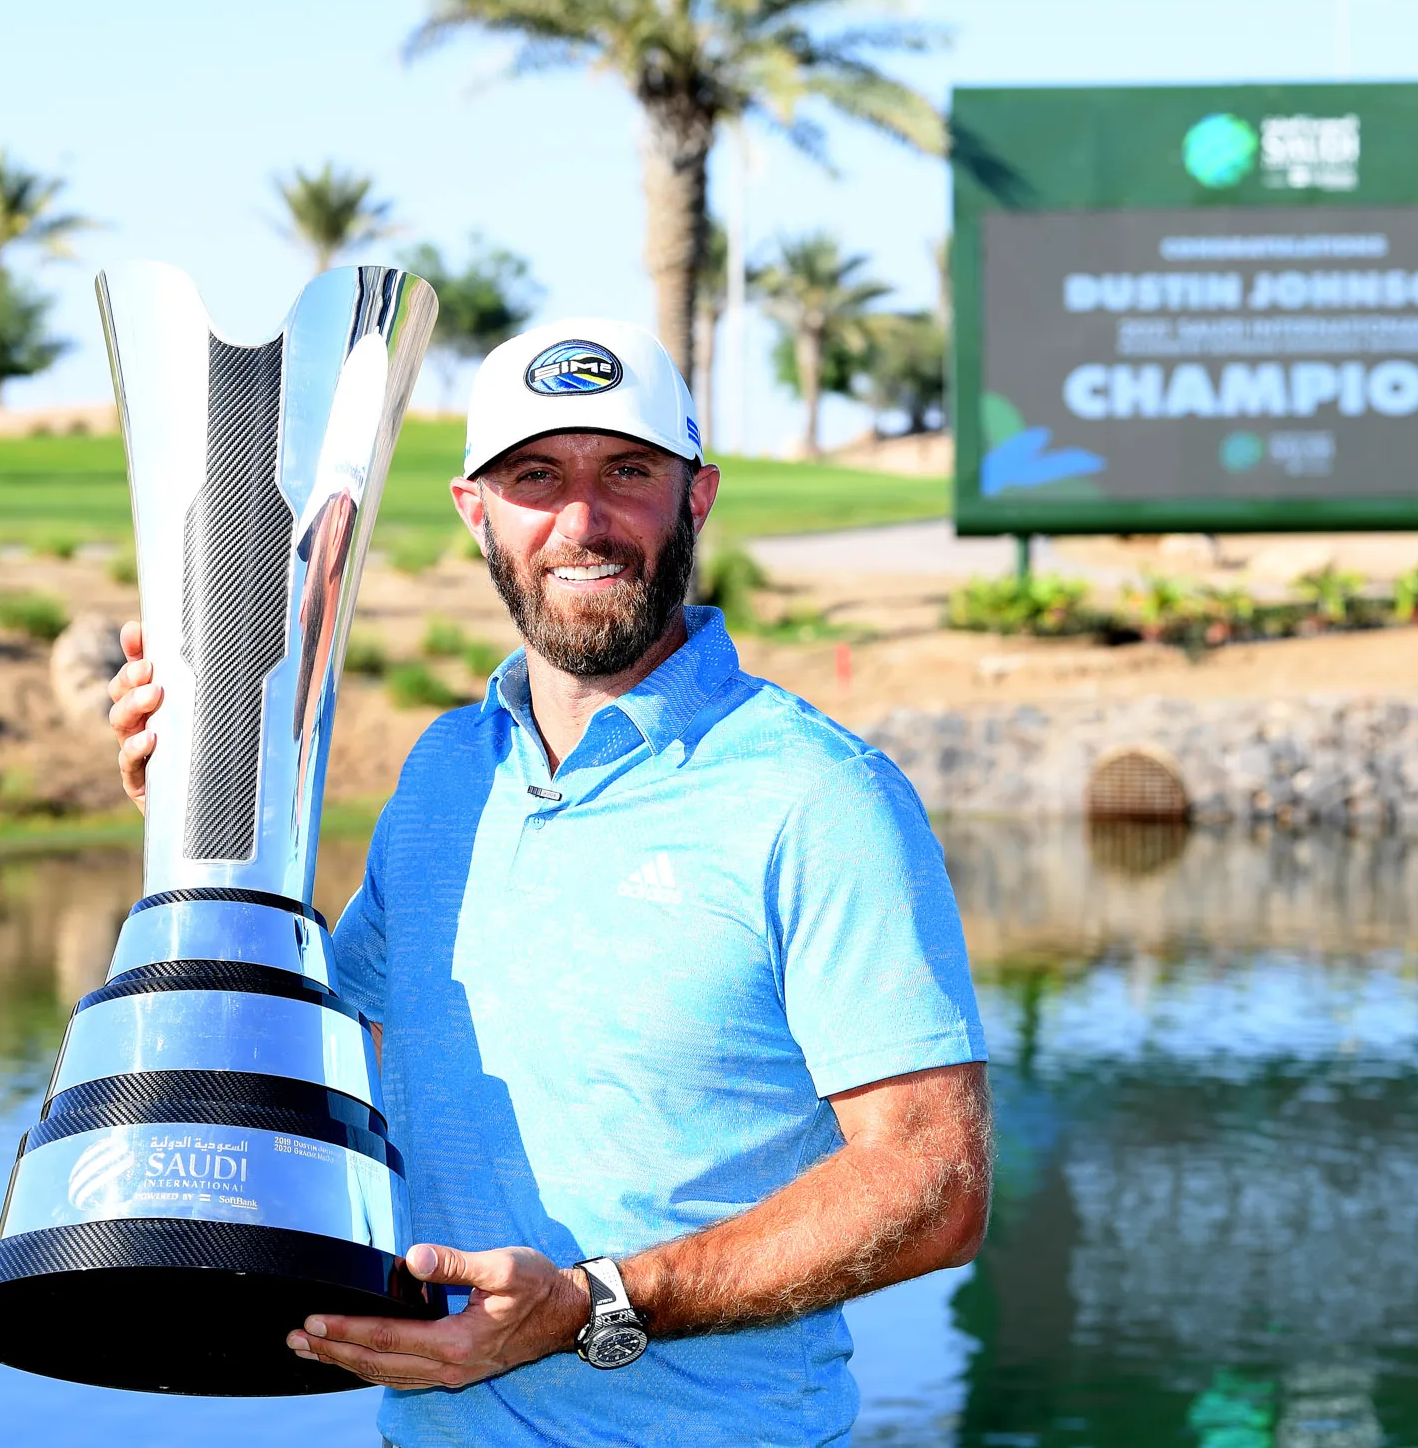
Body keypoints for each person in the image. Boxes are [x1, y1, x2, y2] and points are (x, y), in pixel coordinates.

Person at [107, 317, 989, 1446]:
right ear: (478, 510)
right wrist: (194, 836)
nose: (582, 521)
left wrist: (593, 1304)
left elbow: (932, 1183)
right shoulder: (442, 776)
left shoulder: (820, 796)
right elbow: (349, 1054)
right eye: (537, 477)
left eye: (627, 472)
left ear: (697, 499)